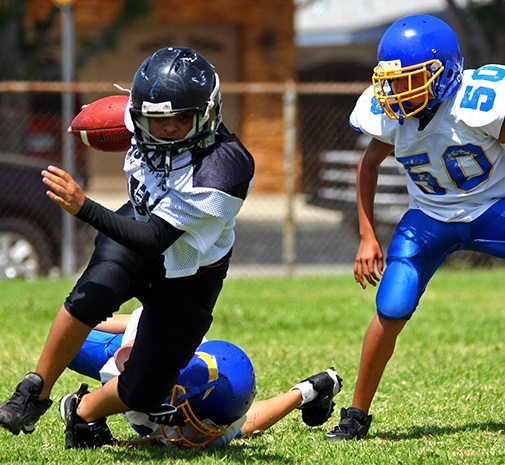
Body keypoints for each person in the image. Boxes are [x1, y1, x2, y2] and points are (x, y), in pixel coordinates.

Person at [0, 46, 255, 448]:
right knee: (92, 293)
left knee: (144, 391)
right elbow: (110, 120)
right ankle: (34, 391)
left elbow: (156, 239)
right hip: (137, 220)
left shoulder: (224, 167)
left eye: (179, 120)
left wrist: (83, 207)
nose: (166, 129)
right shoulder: (141, 116)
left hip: (190, 268)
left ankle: (82, 413)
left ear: (206, 113)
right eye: (156, 120)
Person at [325, 14, 505, 441]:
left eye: (409, 81)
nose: (395, 92)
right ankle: (356, 416)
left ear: (445, 73)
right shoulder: (392, 116)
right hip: (428, 219)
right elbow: (368, 165)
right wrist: (368, 236)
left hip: (492, 207)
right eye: (390, 82)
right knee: (392, 306)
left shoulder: (476, 105)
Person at [65, 307, 343, 448]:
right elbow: (129, 365)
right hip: (132, 347)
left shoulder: (223, 412)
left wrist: (304, 392)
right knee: (70, 340)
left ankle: (313, 389)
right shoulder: (162, 350)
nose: (197, 430)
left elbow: (244, 424)